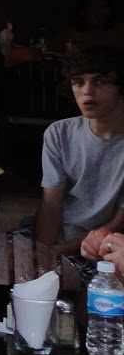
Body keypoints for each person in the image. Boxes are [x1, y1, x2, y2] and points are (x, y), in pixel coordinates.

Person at [33, 46, 124, 254]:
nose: (87, 91)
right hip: (62, 233)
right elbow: (51, 203)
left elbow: (119, 221)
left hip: (109, 244)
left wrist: (61, 251)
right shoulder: (59, 133)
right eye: (78, 82)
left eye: (100, 82)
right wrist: (44, 253)